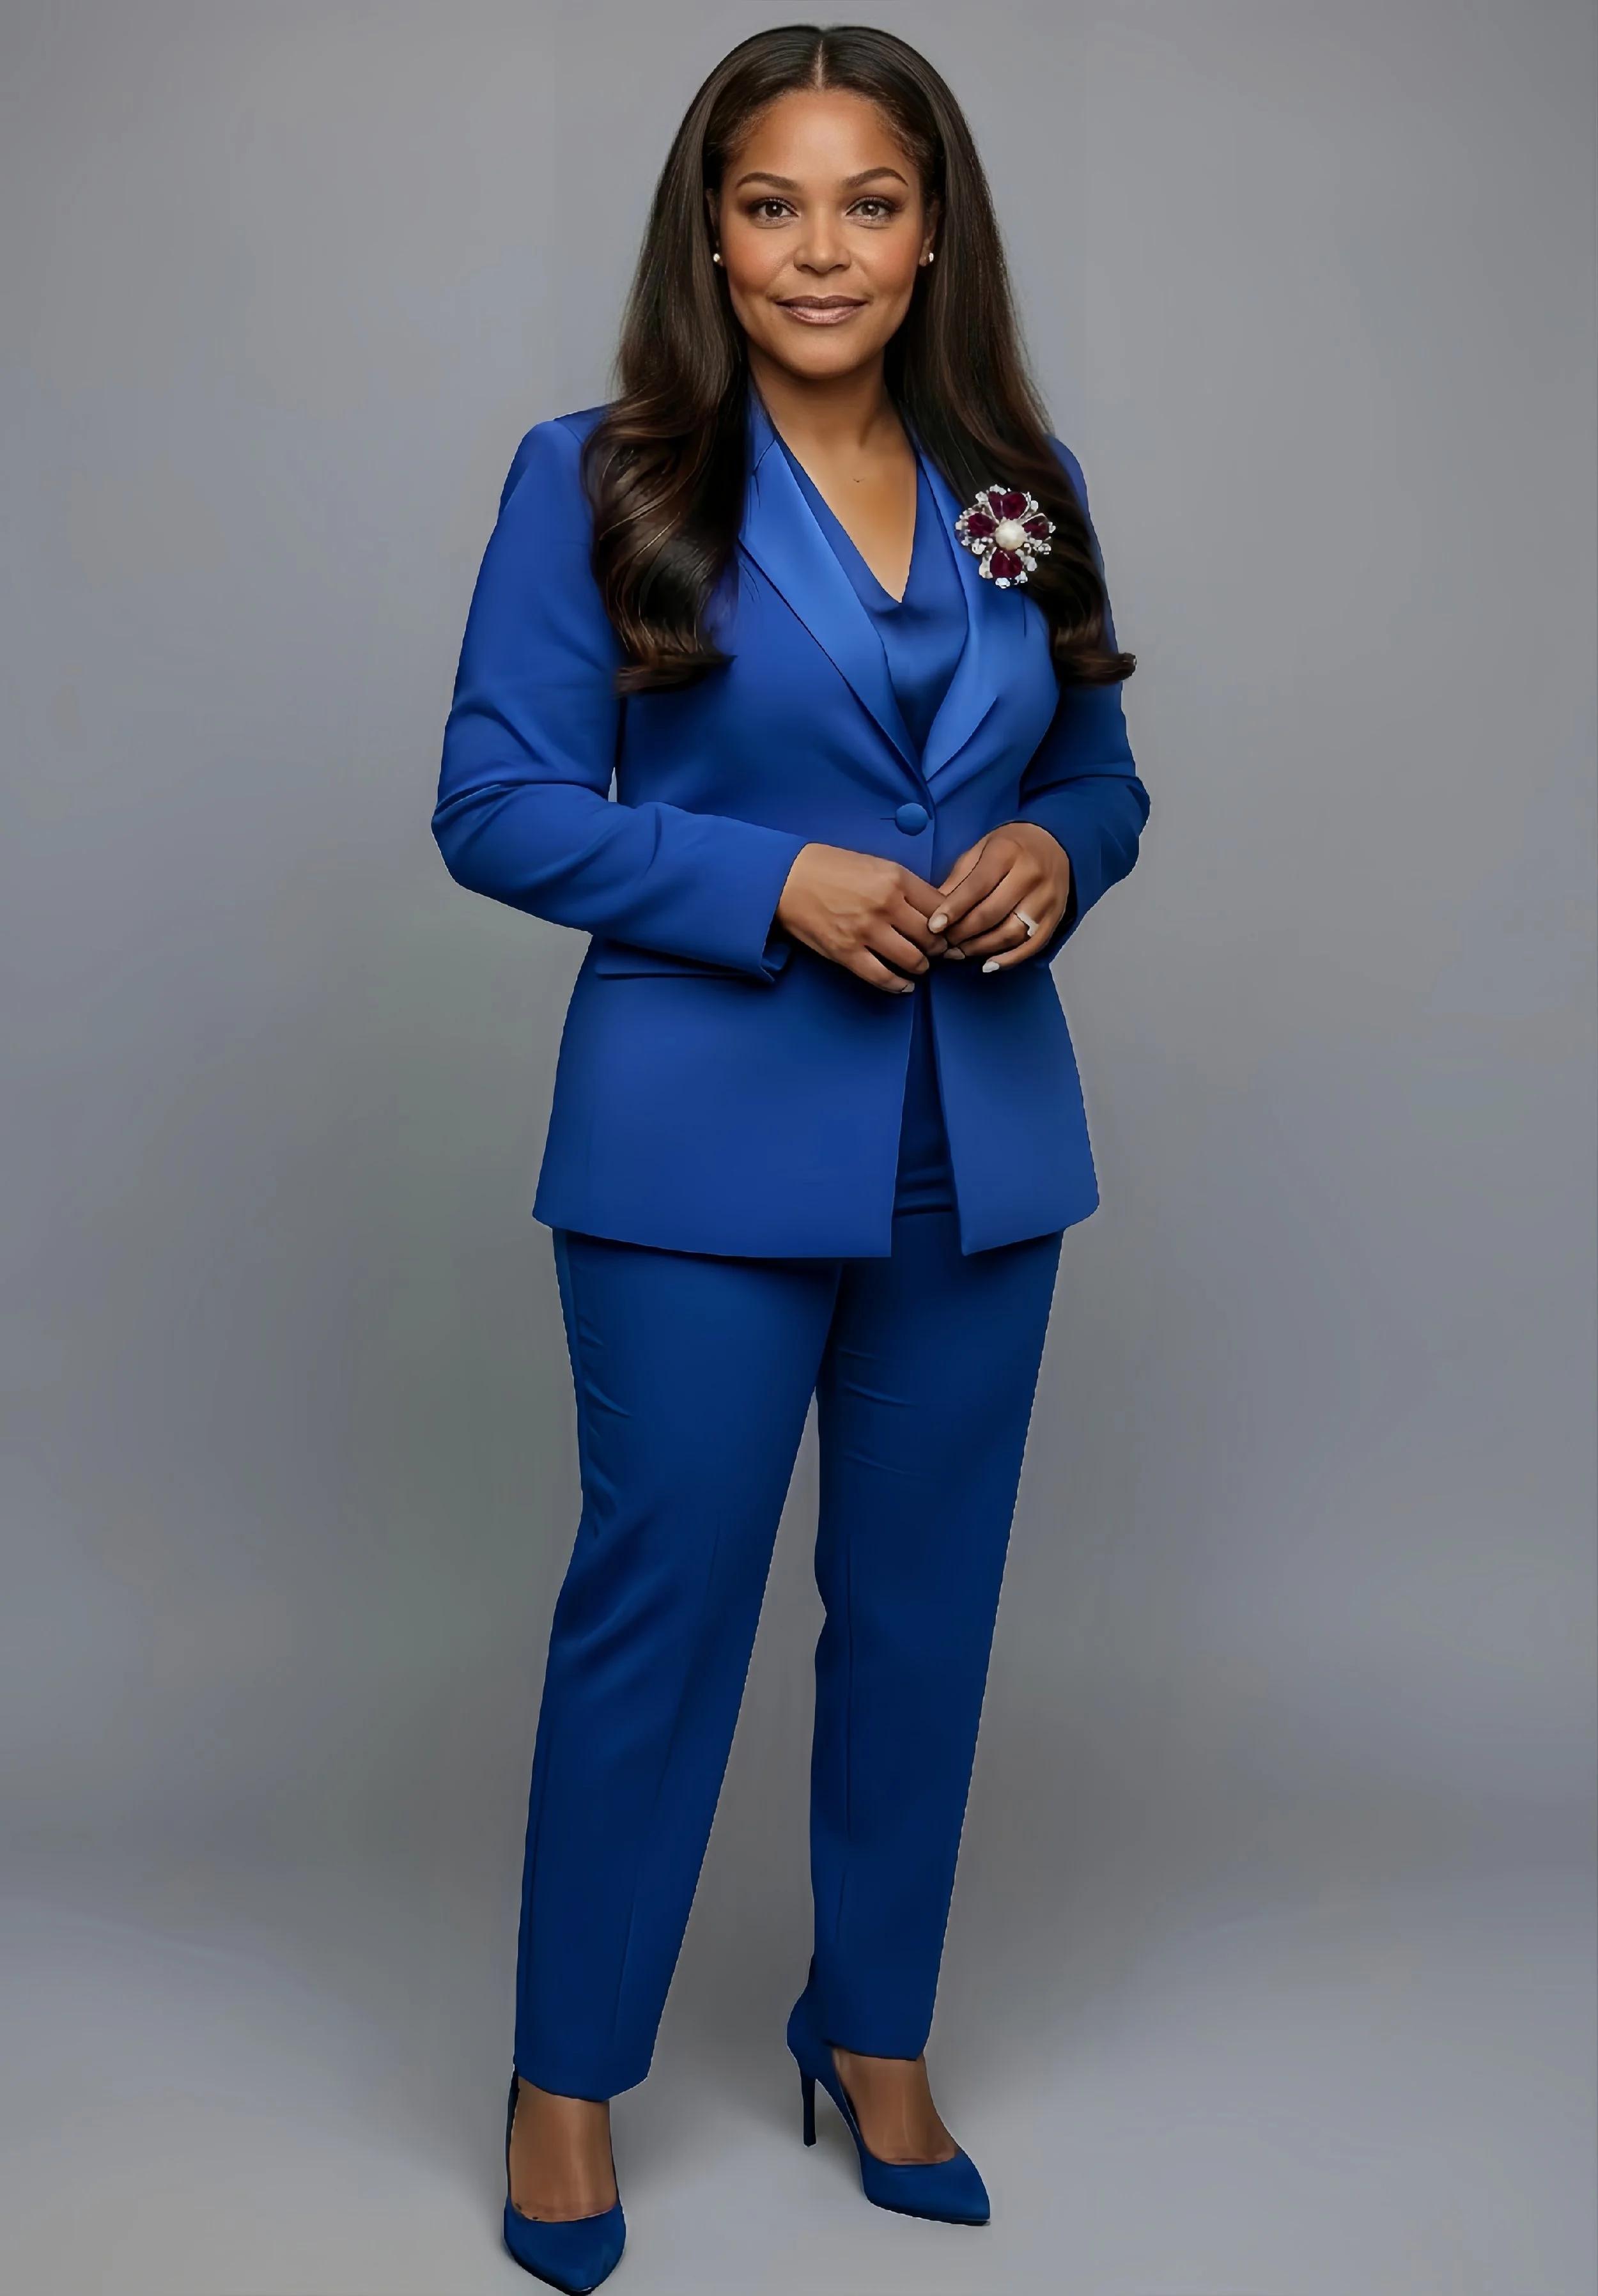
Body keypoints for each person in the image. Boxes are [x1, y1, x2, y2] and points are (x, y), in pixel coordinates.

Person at [433, 23, 1149, 2290]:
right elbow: (495, 802)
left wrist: (1055, 844)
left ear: (932, 228)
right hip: (698, 1147)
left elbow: (1106, 766)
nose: (819, 247)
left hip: (981, 1130)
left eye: (865, 201)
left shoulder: (1014, 478)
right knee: (661, 1616)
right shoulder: (600, 473)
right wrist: (764, 886)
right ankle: (565, 2080)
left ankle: (875, 2028)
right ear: (709, 230)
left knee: (924, 1616)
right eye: (772, 203)